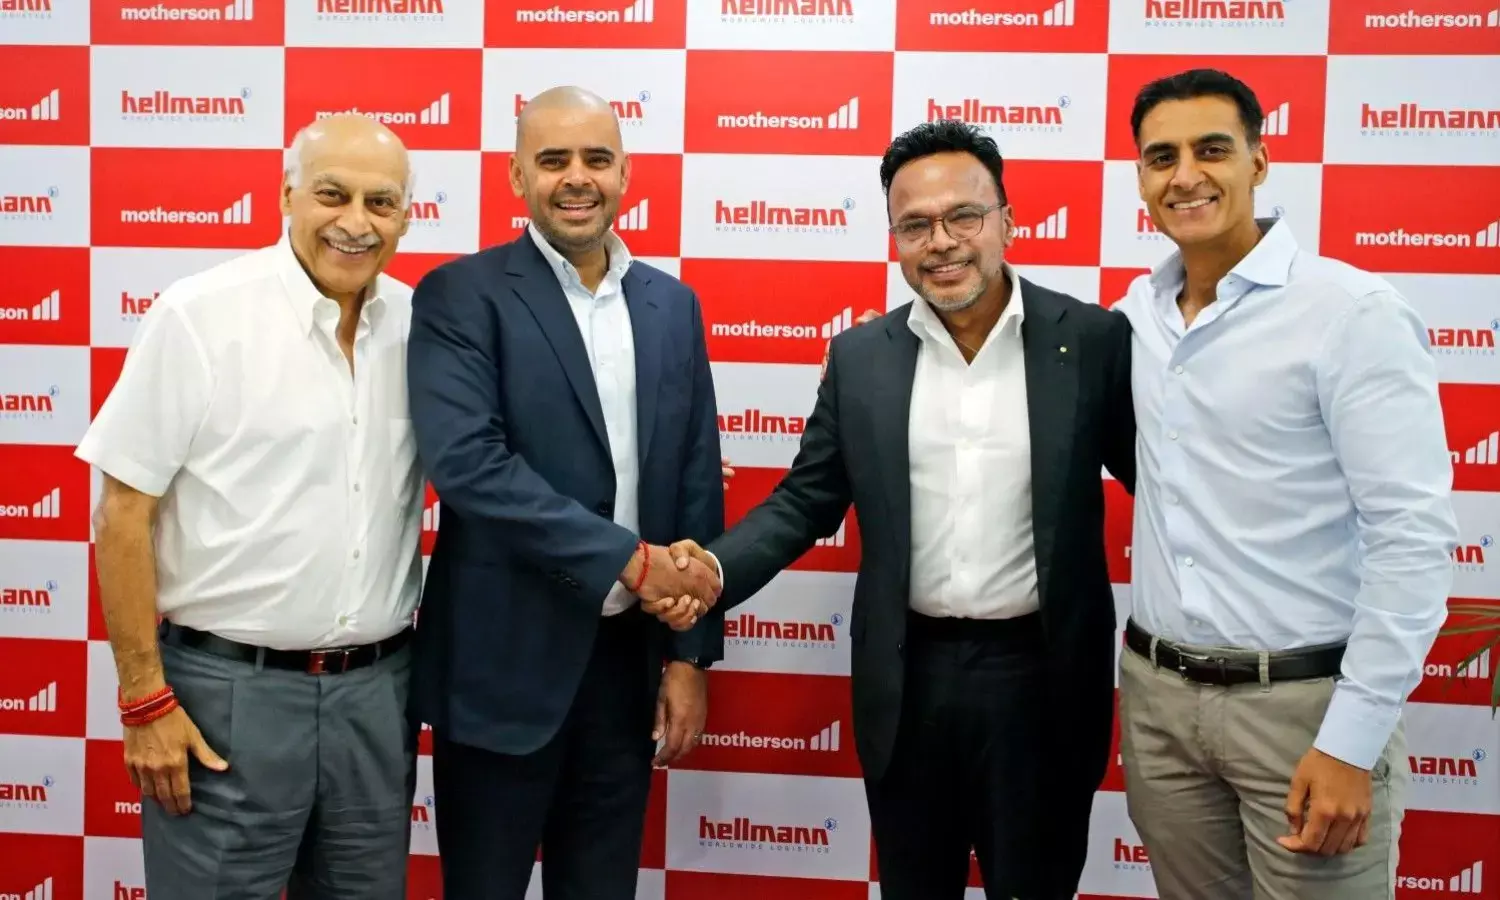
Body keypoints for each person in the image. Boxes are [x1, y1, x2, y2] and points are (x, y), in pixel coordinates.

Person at [667, 119, 1136, 899]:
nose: (941, 242)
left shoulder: (1089, 340)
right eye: (915, 225)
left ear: (1007, 221)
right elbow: (805, 500)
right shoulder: (862, 358)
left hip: (1044, 681)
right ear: (894, 240)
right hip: (908, 680)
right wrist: (712, 570)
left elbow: (1162, 480)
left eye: (963, 217)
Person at [1111, 68, 1459, 899]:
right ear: (1141, 178)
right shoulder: (1134, 317)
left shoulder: (1351, 313)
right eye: (1162, 157)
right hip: (1159, 707)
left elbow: (1412, 538)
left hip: (1303, 710)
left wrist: (1350, 740)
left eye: (1212, 150)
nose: (1185, 175)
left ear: (1259, 163)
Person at [75, 114, 424, 899]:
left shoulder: (420, 326)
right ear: (286, 195)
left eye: (381, 202)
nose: (355, 222)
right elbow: (121, 512)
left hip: (378, 699)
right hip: (223, 699)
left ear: (406, 217)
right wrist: (144, 698)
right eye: (332, 194)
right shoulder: (201, 315)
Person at [404, 85, 726, 900]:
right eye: (553, 160)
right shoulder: (460, 295)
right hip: (498, 672)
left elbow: (694, 481)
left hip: (626, 675)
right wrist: (630, 562)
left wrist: (689, 656)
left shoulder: (672, 305)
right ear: (517, 176)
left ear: (625, 174)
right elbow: (470, 466)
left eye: (596, 159)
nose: (576, 177)